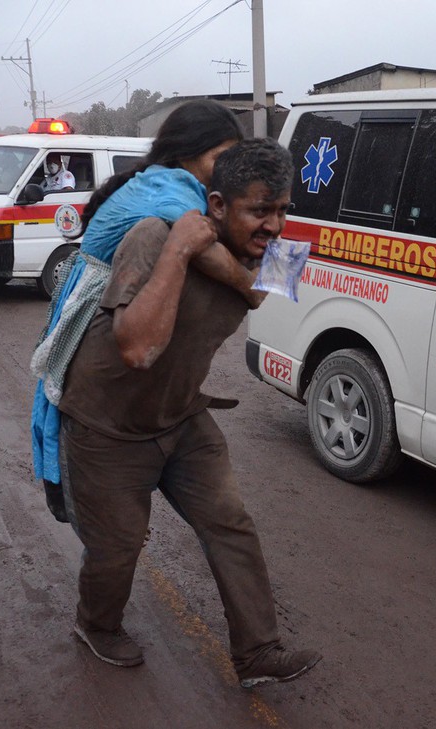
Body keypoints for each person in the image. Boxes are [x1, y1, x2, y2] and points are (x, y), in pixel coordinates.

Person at [58, 138, 320, 688]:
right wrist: (179, 252)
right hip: (106, 425)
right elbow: (137, 350)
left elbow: (263, 291)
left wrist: (226, 261)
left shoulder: (273, 250)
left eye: (283, 210)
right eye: (260, 210)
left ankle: (257, 653)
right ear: (218, 205)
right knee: (119, 548)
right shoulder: (153, 236)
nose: (275, 227)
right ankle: (95, 624)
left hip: (181, 417)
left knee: (231, 525)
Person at [31, 100, 260, 522]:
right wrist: (255, 288)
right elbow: (205, 251)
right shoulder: (172, 185)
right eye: (220, 158)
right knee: (79, 406)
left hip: (118, 311)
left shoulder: (177, 184)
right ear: (188, 152)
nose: (227, 170)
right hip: (99, 307)